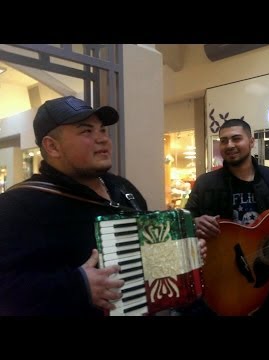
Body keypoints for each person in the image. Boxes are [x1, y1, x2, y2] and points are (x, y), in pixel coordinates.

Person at [0, 95, 206, 316]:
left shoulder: (123, 188)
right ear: (52, 147)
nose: (103, 139)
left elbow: (144, 259)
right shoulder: (17, 206)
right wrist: (78, 286)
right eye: (86, 131)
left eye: (102, 130)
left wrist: (182, 255)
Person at [175, 118, 269, 316]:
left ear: (251, 141)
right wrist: (193, 224)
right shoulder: (206, 184)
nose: (229, 145)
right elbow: (181, 229)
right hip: (226, 287)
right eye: (224, 140)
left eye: (236, 139)